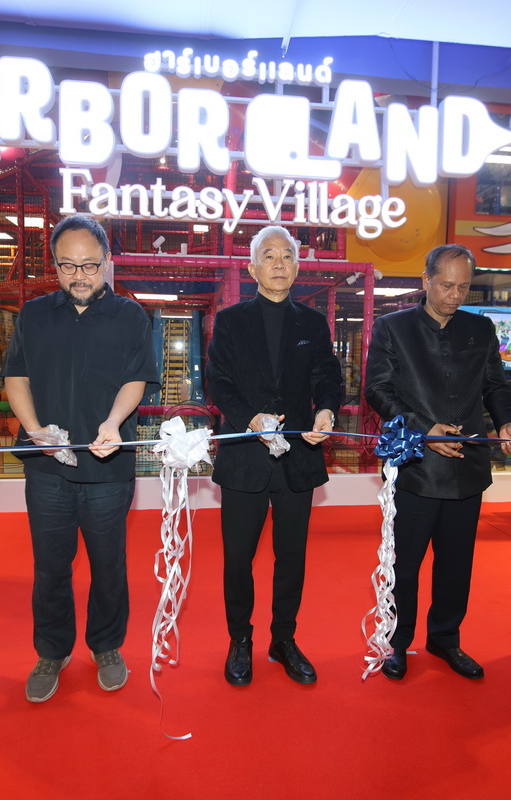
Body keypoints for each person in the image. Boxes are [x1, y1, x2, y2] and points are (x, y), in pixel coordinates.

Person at [1, 214, 159, 703]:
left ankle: (107, 646)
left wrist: (113, 423)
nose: (79, 276)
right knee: (50, 566)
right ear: (54, 264)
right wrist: (34, 432)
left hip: (108, 468)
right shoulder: (34, 314)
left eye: (90, 265)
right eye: (67, 266)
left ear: (107, 261)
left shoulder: (131, 316)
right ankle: (52, 650)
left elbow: (136, 379)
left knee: (109, 565)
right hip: (47, 468)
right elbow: (16, 377)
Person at [364, 243, 511, 681]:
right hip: (415, 467)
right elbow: (377, 390)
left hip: (467, 467)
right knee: (405, 566)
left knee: (456, 564)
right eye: (446, 286)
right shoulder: (393, 328)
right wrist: (423, 430)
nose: (455, 295)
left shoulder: (481, 328)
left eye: (463, 287)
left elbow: (495, 386)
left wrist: (507, 422)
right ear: (426, 280)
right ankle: (397, 642)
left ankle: (445, 638)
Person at [206, 225, 342, 687]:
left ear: (298, 266)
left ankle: (283, 639)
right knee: (237, 558)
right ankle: (239, 639)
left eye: (287, 255)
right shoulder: (230, 321)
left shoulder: (313, 323)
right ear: (252, 268)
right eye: (269, 255)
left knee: (292, 557)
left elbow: (327, 377)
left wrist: (326, 410)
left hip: (297, 457)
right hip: (244, 456)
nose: (279, 263)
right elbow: (218, 383)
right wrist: (251, 419)